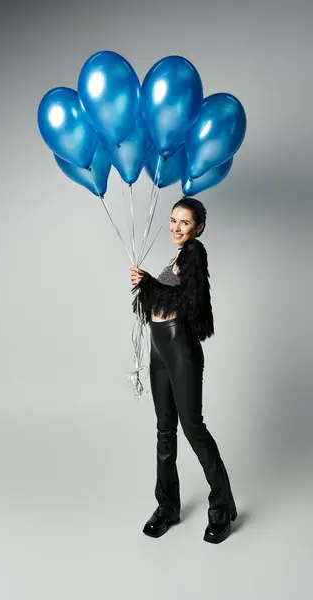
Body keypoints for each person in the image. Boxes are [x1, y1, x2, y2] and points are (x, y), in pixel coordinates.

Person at [130, 196, 237, 544]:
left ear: (199, 228)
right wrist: (147, 285)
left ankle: (222, 508)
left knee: (193, 427)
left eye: (184, 223)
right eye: (173, 220)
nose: (176, 227)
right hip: (159, 345)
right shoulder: (177, 255)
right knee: (164, 429)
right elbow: (162, 299)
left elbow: (189, 302)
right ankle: (167, 507)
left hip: (180, 348)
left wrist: (149, 283)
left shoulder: (194, 253)